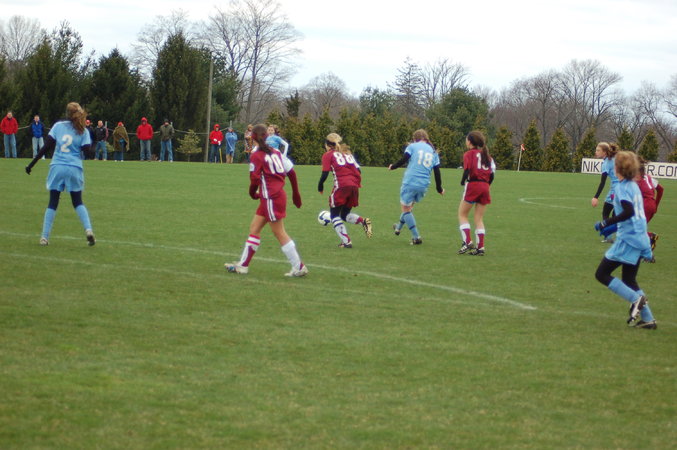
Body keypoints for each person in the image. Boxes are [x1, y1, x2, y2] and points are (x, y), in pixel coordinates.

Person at [224, 123, 307, 277]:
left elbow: (255, 179)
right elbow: (291, 172)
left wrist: (252, 193)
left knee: (279, 232)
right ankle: (243, 266)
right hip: (273, 196)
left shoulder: (256, 155)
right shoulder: (276, 152)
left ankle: (299, 266)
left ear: (253, 138)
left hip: (271, 197)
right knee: (254, 228)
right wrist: (296, 194)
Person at [593, 151, 656, 329]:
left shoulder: (621, 188)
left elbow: (628, 212)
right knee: (629, 279)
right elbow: (638, 216)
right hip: (639, 237)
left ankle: (636, 299)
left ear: (618, 168)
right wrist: (646, 246)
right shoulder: (634, 185)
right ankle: (648, 319)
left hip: (628, 240)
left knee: (601, 274)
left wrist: (606, 222)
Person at [24, 102, 96, 247]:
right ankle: (88, 230)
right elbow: (88, 152)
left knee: (53, 202)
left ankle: (44, 237)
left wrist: (31, 165)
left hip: (57, 166)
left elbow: (45, 147)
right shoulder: (83, 130)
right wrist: (93, 143)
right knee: (77, 201)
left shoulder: (58, 126)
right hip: (74, 167)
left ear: (67, 113)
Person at [388, 129, 444, 245]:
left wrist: (393, 166)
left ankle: (416, 237)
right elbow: (437, 172)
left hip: (411, 181)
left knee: (405, 209)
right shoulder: (433, 151)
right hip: (424, 184)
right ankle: (398, 227)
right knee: (408, 208)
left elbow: (404, 159)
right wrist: (439, 189)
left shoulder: (412, 146)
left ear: (414, 139)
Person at [318, 132, 372, 248]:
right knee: (344, 214)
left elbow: (324, 174)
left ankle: (346, 242)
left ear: (327, 145)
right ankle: (363, 221)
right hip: (354, 186)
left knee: (334, 215)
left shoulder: (328, 155)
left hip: (341, 186)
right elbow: (359, 170)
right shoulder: (347, 153)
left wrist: (320, 186)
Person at [457, 130, 496, 256]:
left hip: (473, 185)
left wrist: (462, 182)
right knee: (478, 218)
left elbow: (467, 170)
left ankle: (467, 241)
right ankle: (480, 247)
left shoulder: (469, 154)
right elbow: (492, 175)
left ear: (470, 141)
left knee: (462, 214)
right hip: (485, 187)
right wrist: (486, 185)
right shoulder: (487, 156)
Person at [591, 142, 619, 243]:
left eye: (598, 150)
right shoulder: (615, 158)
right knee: (616, 214)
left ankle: (608, 236)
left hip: (615, 190)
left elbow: (602, 182)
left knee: (606, 212)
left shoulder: (607, 163)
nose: (596, 152)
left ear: (605, 152)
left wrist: (596, 197)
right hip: (624, 188)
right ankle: (615, 237)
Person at [636, 157, 664, 254]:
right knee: (638, 229)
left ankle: (651, 237)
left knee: (636, 229)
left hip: (645, 205)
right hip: (651, 204)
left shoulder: (636, 179)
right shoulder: (648, 177)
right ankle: (647, 253)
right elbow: (661, 189)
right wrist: (656, 204)